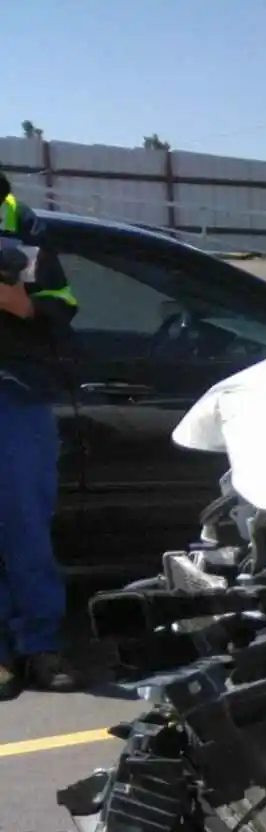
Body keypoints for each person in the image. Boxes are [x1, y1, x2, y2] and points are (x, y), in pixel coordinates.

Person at [0, 169, 81, 699]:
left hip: (16, 395)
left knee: (26, 527)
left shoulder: (19, 224)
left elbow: (57, 306)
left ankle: (40, 647)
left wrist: (12, 296)